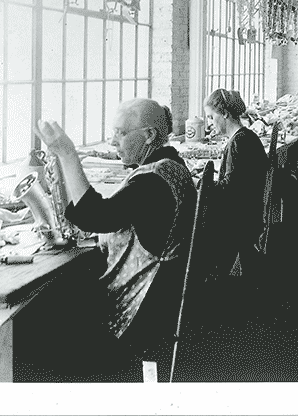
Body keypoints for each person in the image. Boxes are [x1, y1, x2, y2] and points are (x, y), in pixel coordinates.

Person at [35, 98, 198, 381]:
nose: (113, 141)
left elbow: (94, 216)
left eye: (121, 133)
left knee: (49, 319)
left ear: (149, 135)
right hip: (169, 294)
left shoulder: (151, 181)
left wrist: (68, 154)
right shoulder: (172, 164)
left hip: (147, 307)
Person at [202, 88, 268, 281]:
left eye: (210, 117)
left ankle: (210, 284)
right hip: (250, 215)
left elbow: (229, 190)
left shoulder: (238, 143)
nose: (209, 124)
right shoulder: (248, 137)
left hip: (239, 222)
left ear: (224, 114)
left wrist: (202, 185)